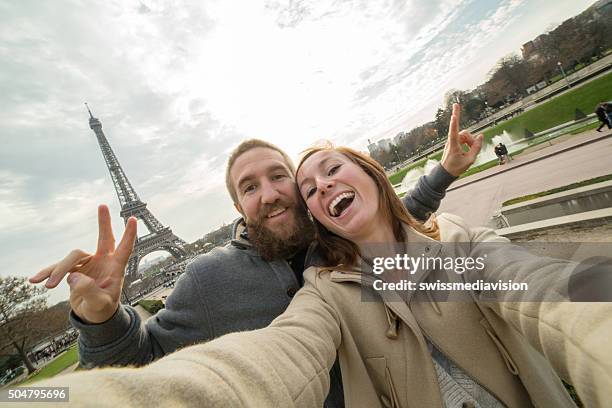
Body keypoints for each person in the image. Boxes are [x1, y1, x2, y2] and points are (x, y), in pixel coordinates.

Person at [34, 105, 612, 407]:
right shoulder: (215, 280)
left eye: (283, 178)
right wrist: (100, 318)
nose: (271, 194)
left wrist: (444, 173)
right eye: (249, 187)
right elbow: (166, 363)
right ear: (237, 206)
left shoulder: (372, 253)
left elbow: (416, 235)